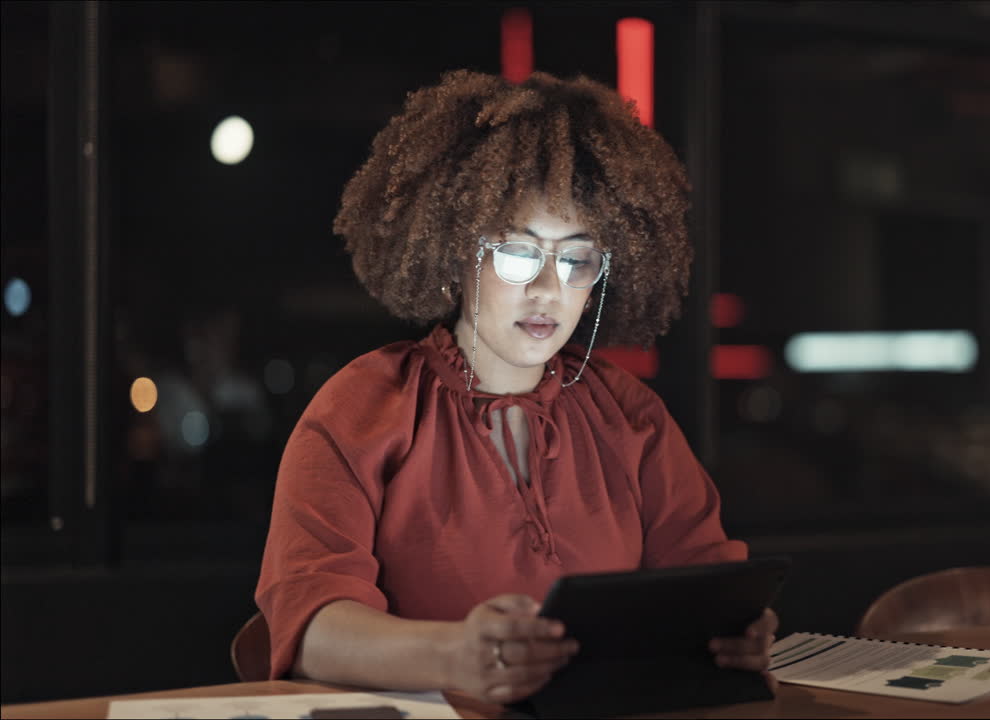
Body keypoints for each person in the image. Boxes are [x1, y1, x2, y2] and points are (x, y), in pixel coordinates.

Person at [254, 70, 778, 705]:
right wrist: (454, 656)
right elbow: (309, 630)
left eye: (576, 258)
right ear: (454, 252)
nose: (548, 290)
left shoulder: (628, 413)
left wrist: (738, 632)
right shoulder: (364, 407)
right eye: (517, 252)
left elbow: (709, 582)